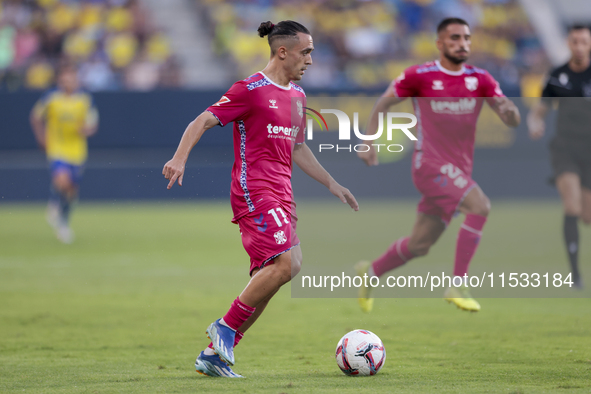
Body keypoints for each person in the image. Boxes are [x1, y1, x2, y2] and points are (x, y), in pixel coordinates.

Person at [162, 20, 358, 378]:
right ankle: (223, 328)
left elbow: (298, 148)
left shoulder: (298, 97)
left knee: (269, 280)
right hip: (255, 191)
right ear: (282, 51)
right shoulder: (250, 89)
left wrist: (332, 183)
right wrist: (179, 156)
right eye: (306, 52)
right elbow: (202, 121)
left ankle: (214, 356)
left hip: (284, 196)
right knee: (290, 263)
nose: (311, 61)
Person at [356, 17, 521, 313]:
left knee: (419, 245)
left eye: (467, 38)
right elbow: (383, 103)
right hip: (429, 165)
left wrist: (511, 112)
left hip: (458, 172)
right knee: (480, 205)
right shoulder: (419, 75)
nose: (463, 44)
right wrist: (369, 141)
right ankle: (458, 284)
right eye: (455, 38)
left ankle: (370, 273)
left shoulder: (481, 79)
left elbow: (510, 116)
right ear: (440, 43)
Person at [527, 25, 591, 289]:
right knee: (572, 207)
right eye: (574, 41)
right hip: (565, 148)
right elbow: (539, 110)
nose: (578, 46)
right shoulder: (557, 75)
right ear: (568, 43)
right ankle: (575, 275)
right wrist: (534, 123)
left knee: (587, 216)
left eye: (584, 42)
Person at [30, 66, 99, 244]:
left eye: (72, 79)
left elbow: (93, 123)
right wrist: (41, 137)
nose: (68, 83)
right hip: (57, 148)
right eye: (65, 80)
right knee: (62, 179)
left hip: (77, 151)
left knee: (71, 190)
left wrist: (86, 130)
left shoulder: (84, 100)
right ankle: (53, 204)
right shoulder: (51, 99)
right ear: (61, 81)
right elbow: (36, 116)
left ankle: (63, 223)